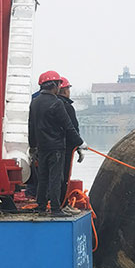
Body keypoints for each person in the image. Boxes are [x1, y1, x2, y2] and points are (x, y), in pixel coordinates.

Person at [28, 70, 87, 216]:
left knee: (43, 177)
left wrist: (33, 146)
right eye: (59, 85)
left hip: (41, 148)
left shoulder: (35, 103)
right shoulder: (57, 103)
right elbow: (68, 127)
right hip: (56, 148)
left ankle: (41, 206)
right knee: (55, 178)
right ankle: (55, 208)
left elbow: (31, 126)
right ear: (54, 85)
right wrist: (80, 143)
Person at [57, 76, 83, 204]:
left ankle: (50, 202)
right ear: (65, 90)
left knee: (52, 176)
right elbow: (72, 128)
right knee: (64, 176)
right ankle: (62, 203)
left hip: (50, 147)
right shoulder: (67, 107)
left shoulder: (48, 104)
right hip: (66, 148)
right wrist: (79, 145)